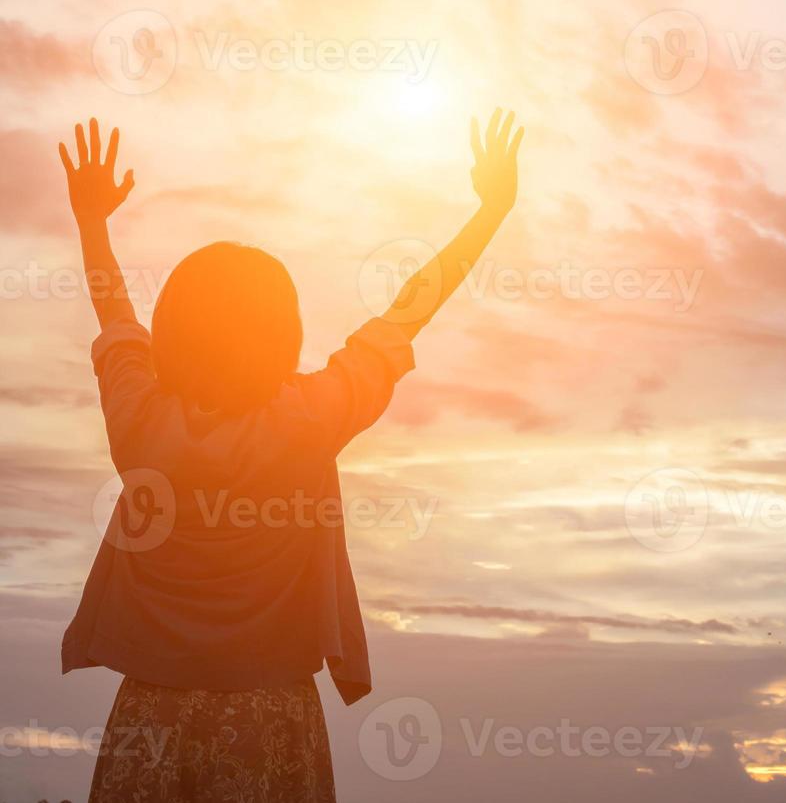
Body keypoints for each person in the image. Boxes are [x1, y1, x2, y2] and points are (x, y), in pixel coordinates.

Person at [58, 111, 524, 802]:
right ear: (282, 334)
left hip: (148, 719)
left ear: (172, 333)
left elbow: (114, 314)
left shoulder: (140, 421)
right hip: (268, 716)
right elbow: (408, 310)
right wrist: (490, 213)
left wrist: (91, 221)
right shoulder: (308, 420)